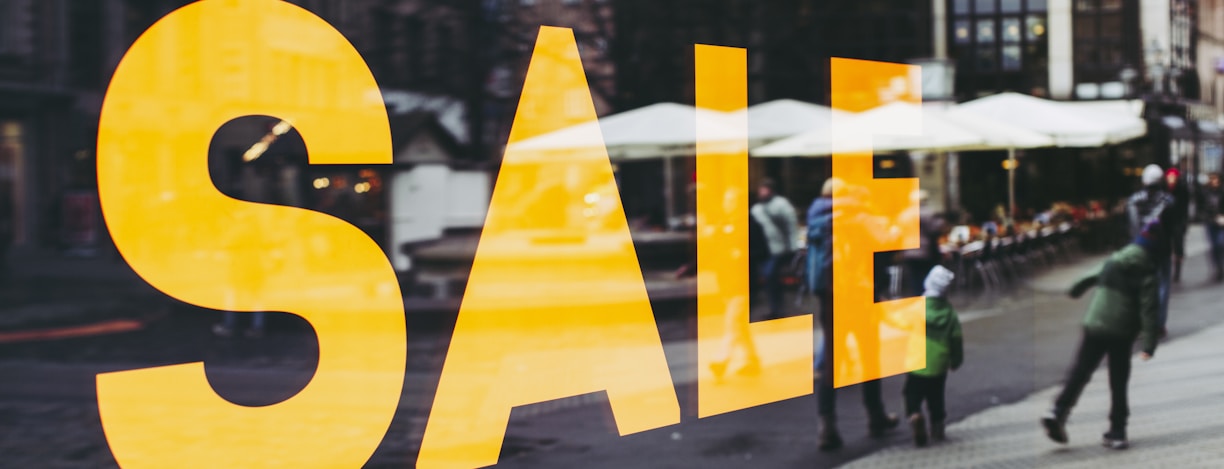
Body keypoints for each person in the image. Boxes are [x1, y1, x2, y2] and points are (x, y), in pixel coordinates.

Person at [1040, 219, 1163, 450]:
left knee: (1081, 370)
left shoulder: (1115, 260)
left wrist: (1074, 290)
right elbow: (1149, 311)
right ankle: (1117, 432)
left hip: (1095, 322)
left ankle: (1058, 410)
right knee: (1118, 380)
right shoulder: (1148, 272)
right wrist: (1149, 345)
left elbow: (1087, 277)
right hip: (1122, 331)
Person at [807, 178, 900, 451]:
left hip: (829, 296)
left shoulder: (817, 220)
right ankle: (876, 416)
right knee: (869, 355)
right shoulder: (859, 217)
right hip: (859, 294)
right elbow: (888, 243)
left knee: (831, 362)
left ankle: (827, 427)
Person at [904, 265, 963, 447]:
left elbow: (904, 325)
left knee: (911, 394)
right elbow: (956, 339)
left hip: (916, 361)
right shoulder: (950, 312)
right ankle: (937, 427)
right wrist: (956, 360)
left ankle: (915, 415)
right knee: (936, 397)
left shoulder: (917, 308)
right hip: (939, 363)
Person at [1126, 164, 1174, 329]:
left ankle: (1144, 322)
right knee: (1162, 286)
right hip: (1162, 249)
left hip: (1141, 249)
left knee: (1143, 286)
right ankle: (1158, 323)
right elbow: (1173, 228)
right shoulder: (1167, 200)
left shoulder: (1134, 200)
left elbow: (1132, 227)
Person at [751, 178, 799, 319]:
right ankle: (775, 307)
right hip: (763, 250)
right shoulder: (757, 208)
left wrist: (793, 246)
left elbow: (791, 226)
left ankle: (777, 309)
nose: (761, 192)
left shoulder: (781, 205)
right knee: (768, 278)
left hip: (778, 248)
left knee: (770, 275)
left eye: (764, 189)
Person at [899, 191, 946, 298]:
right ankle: (928, 300)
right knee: (927, 277)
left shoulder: (904, 214)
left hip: (908, 251)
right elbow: (934, 229)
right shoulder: (927, 213)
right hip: (925, 250)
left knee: (915, 278)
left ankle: (918, 298)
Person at [1164, 168, 1190, 282]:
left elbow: (1184, 209)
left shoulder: (1182, 190)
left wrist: (1184, 222)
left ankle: (1177, 271)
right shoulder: (1164, 190)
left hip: (1178, 222)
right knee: (1167, 247)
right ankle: (1169, 270)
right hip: (1167, 224)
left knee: (1178, 247)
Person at [1198, 172, 1224, 282]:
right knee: (1213, 247)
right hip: (1210, 222)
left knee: (1220, 243)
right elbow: (1201, 207)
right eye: (1212, 179)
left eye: (1216, 179)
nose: (1214, 181)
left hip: (1222, 222)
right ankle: (1218, 268)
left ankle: (1221, 266)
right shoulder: (1205, 193)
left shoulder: (1222, 192)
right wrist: (1207, 217)